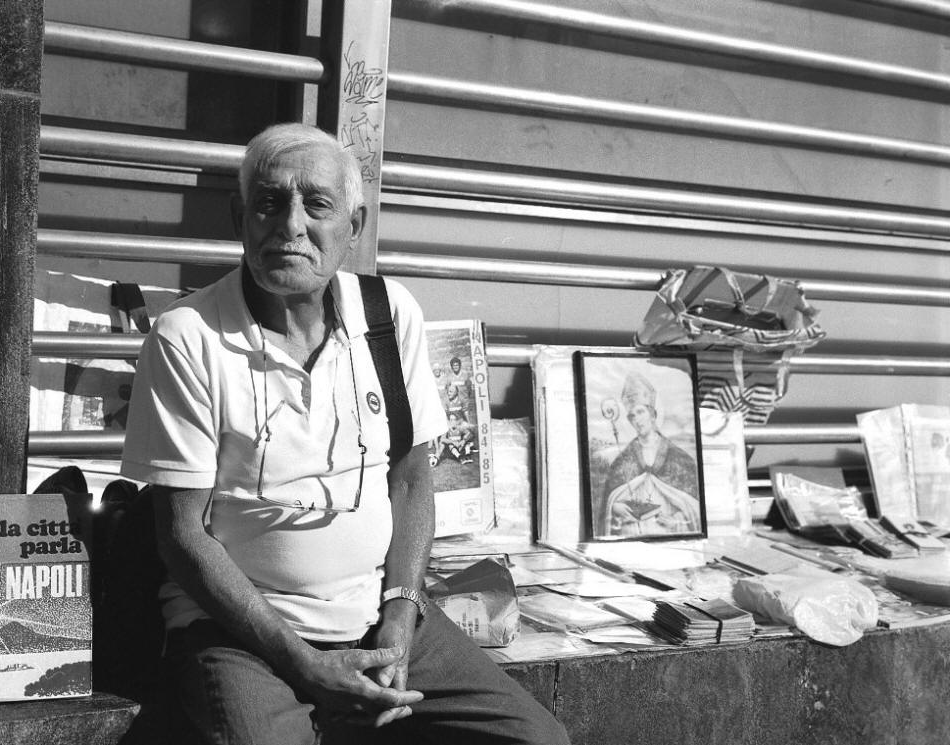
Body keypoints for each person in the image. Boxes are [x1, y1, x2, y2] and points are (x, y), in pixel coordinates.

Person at [120, 123, 569, 745]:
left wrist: (401, 613)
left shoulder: (387, 315)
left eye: (317, 205)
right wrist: (305, 664)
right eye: (269, 203)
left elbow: (410, 481)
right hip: (241, 632)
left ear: (353, 227)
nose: (291, 225)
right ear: (240, 218)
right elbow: (181, 534)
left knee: (536, 739)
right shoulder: (188, 335)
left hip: (375, 612)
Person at [601, 373, 701, 537]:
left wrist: (677, 521)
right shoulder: (624, 458)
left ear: (653, 414)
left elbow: (693, 505)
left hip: (667, 535)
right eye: (632, 416)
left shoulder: (678, 457)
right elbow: (609, 499)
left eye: (640, 412)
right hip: (631, 534)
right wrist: (615, 507)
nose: (637, 419)